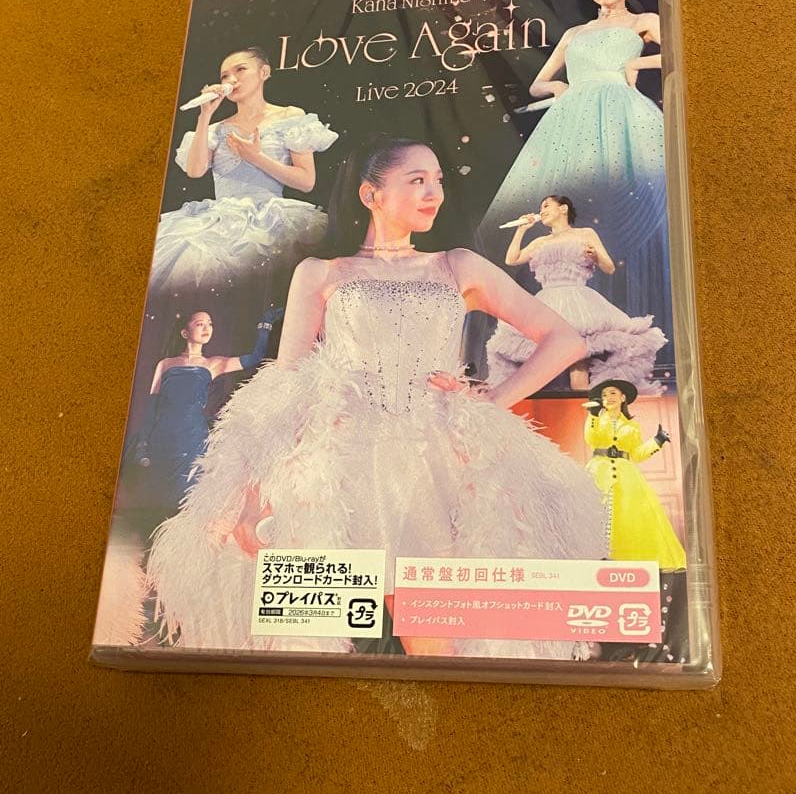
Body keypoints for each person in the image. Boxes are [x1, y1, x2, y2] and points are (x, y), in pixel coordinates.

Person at [147, 135, 606, 660]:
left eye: (438, 181)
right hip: (341, 471)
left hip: (440, 469)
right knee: (307, 647)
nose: (434, 193)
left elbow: (564, 339)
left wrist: (492, 398)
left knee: (445, 648)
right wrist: (252, 496)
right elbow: (285, 387)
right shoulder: (322, 272)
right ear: (371, 194)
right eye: (417, 181)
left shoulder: (457, 265)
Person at [479, 0, 665, 262]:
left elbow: (678, 52)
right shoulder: (575, 33)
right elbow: (537, 85)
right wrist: (557, 87)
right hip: (573, 116)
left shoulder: (643, 20)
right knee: (569, 188)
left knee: (618, 182)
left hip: (621, 112)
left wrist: (636, 62)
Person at [150, 47, 338, 294]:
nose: (231, 80)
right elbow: (195, 171)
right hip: (222, 222)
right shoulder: (216, 129)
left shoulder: (290, 116)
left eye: (240, 70)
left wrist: (256, 158)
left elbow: (306, 181)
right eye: (224, 76)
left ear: (264, 72)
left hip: (273, 219)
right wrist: (205, 116)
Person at [122, 306, 282, 533]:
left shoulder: (213, 364)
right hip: (163, 435)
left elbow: (255, 357)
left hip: (193, 436)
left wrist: (265, 325)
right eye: (200, 324)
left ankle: (181, 544)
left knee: (188, 491)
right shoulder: (165, 364)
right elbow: (152, 406)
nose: (207, 328)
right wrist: (143, 442)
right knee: (159, 491)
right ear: (185, 332)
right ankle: (155, 542)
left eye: (210, 324)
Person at [486, 195, 666, 392]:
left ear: (563, 208)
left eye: (546, 206)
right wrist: (521, 230)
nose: (542, 211)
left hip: (577, 300)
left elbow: (609, 267)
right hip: (547, 301)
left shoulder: (585, 233)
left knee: (578, 357)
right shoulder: (540, 241)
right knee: (543, 358)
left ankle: (582, 400)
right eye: (541, 208)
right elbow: (512, 259)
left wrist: (595, 256)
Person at [583, 380, 686, 569]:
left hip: (626, 476)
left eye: (612, 393)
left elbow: (637, 454)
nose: (608, 398)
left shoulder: (632, 426)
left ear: (623, 398)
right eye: (604, 395)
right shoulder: (596, 419)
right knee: (596, 512)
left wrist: (657, 440)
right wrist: (593, 415)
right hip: (599, 471)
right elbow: (592, 440)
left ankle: (625, 562)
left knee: (629, 515)